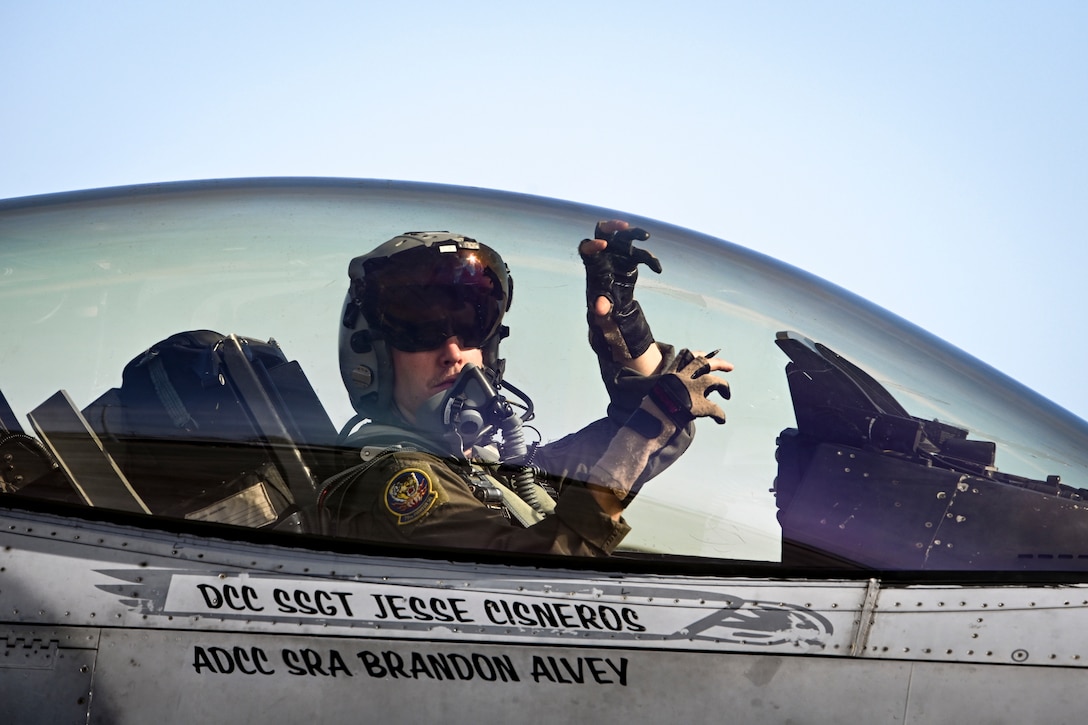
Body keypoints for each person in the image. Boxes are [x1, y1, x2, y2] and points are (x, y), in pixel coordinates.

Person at [318, 222, 732, 556]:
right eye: (420, 331)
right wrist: (647, 427)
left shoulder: (489, 471)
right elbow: (533, 585)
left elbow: (629, 444)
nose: (453, 352)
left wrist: (621, 321)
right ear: (373, 358)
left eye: (470, 329)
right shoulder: (401, 481)